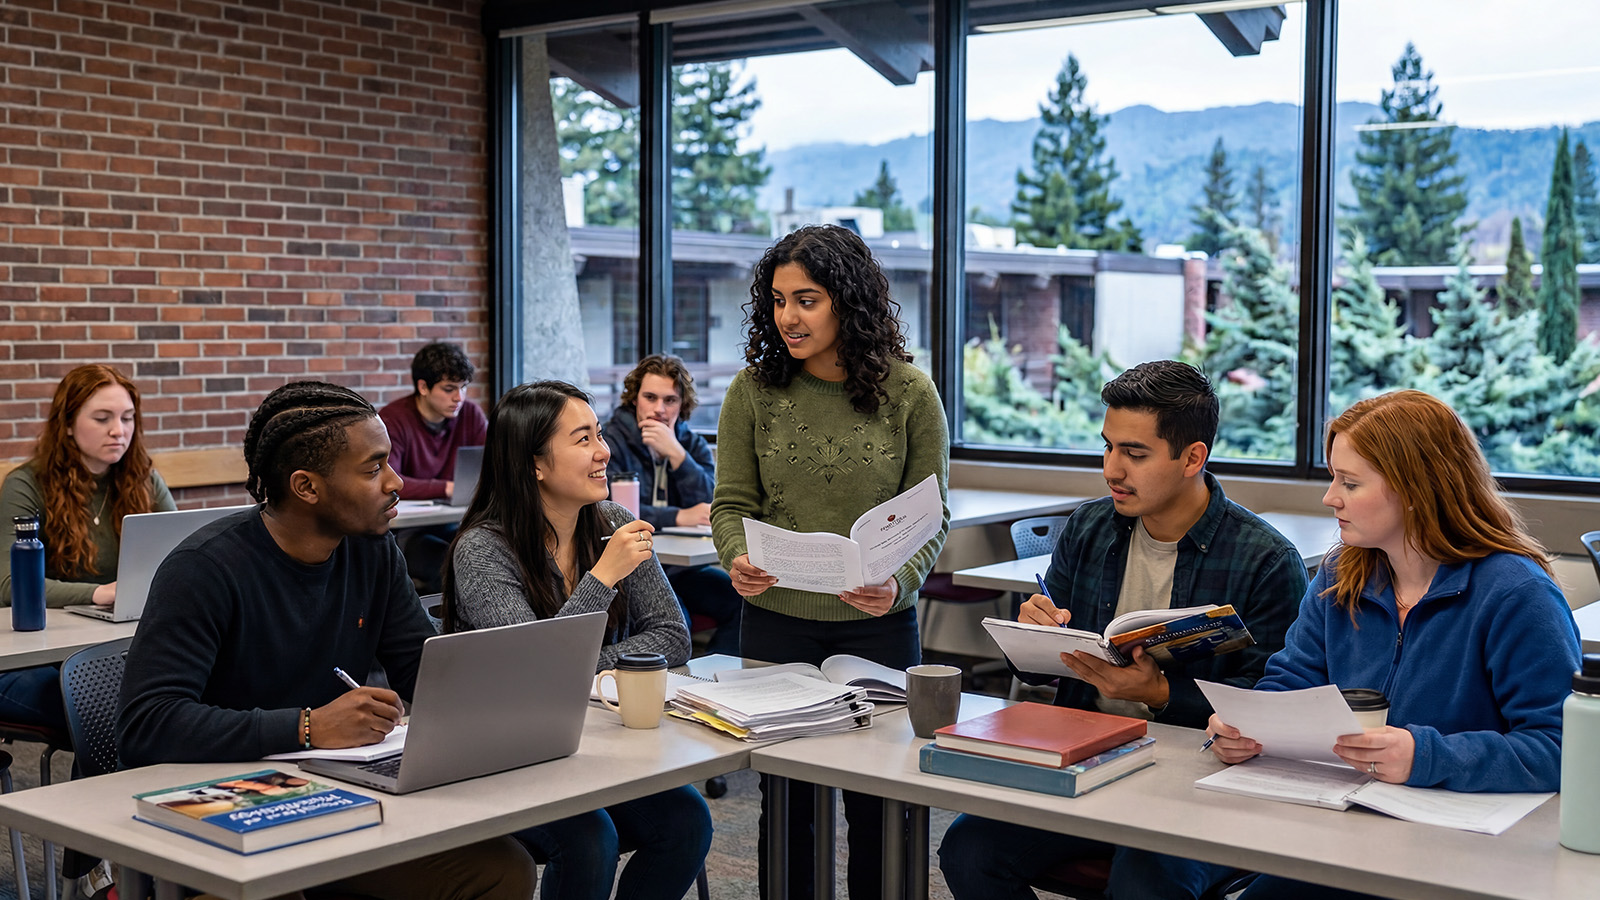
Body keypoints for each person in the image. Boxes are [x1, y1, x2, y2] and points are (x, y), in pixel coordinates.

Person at [117, 381, 536, 900]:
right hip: (231, 801)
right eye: (372, 468)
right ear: (306, 487)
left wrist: (512, 704)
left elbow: (425, 673)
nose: (395, 481)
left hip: (335, 790)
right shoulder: (204, 570)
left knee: (503, 869)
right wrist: (309, 726)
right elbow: (147, 723)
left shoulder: (373, 553)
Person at [938, 359, 1308, 900]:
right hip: (1089, 758)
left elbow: (1275, 708)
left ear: (1193, 458)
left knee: (1142, 882)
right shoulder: (1089, 527)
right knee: (968, 851)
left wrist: (1161, 694)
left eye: (1134, 453)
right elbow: (1042, 666)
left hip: (1200, 777)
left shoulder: (1265, 559)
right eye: (1108, 447)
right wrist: (1033, 634)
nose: (1113, 469)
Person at [1200, 390, 1581, 900]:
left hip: (1462, 849)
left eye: (1350, 483)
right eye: (1334, 477)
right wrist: (1245, 725)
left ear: (1416, 490)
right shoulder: (1341, 573)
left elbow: (1559, 749)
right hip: (1341, 828)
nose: (1329, 497)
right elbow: (1292, 679)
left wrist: (1426, 755)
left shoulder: (1517, 593)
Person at [712, 224, 950, 900]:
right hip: (775, 621)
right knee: (788, 803)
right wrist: (735, 557)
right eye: (780, 300)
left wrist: (901, 581)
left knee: (881, 804)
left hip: (878, 624)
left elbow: (932, 518)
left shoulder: (909, 393)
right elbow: (730, 505)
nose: (789, 316)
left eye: (808, 299)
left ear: (848, 302)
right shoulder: (751, 392)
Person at [443, 379, 712, 900]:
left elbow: (673, 638)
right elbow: (537, 672)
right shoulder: (483, 550)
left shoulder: (613, 521)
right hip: (501, 756)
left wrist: (591, 667)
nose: (604, 450)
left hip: (590, 742)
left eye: (598, 435)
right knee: (589, 838)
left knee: (686, 818)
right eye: (583, 438)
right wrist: (602, 579)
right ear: (534, 464)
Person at [0, 364, 176, 732]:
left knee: (169, 694)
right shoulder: (26, 485)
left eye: (128, 418)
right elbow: (8, 584)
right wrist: (101, 593)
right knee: (108, 706)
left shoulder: (143, 478)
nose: (119, 430)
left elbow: (185, 557)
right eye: (102, 418)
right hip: (36, 658)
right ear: (66, 425)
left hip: (118, 647)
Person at [604, 354, 742, 655]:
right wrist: (679, 516)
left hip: (681, 570)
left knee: (744, 604)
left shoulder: (689, 443)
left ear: (682, 405)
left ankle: (712, 681)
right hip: (632, 572)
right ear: (634, 399)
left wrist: (679, 456)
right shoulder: (610, 441)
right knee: (678, 624)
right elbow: (610, 510)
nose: (659, 409)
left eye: (670, 400)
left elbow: (715, 504)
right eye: (650, 397)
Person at [379, 341, 489, 593]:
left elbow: (493, 466)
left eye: (463, 388)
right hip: (407, 532)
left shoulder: (470, 415)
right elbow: (389, 482)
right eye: (449, 389)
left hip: (458, 522)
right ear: (423, 387)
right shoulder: (393, 420)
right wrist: (448, 487)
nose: (458, 398)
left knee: (487, 557)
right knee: (447, 564)